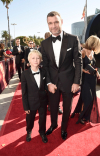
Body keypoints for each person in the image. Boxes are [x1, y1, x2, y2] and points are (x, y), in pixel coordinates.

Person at [41, 11, 82, 140]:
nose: (53, 26)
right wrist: (48, 83)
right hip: (52, 82)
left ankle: (64, 128)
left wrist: (77, 82)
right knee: (53, 107)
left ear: (61, 22)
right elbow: (45, 66)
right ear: (48, 24)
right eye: (50, 23)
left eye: (56, 22)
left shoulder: (73, 39)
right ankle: (53, 124)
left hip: (69, 82)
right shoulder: (45, 43)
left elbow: (78, 61)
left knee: (67, 107)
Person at [71, 35, 100, 124]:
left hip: (92, 79)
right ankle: (82, 116)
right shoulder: (83, 52)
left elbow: (92, 65)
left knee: (86, 97)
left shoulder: (93, 53)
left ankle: (84, 113)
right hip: (85, 79)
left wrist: (97, 72)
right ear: (93, 43)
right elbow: (74, 65)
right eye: (97, 44)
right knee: (89, 98)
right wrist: (83, 70)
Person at [21, 50, 48, 143]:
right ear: (29, 60)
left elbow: (46, 86)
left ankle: (42, 132)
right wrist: (25, 106)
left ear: (40, 60)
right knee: (30, 119)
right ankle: (29, 131)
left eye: (38, 58)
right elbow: (24, 92)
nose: (35, 60)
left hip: (43, 101)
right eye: (33, 58)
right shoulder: (24, 74)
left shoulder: (44, 72)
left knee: (43, 118)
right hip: (31, 101)